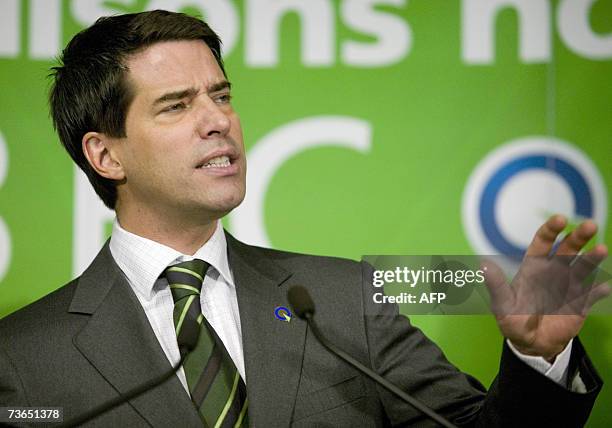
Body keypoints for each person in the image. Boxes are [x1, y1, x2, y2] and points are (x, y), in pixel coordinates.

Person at [0, 10, 607, 427]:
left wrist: (536, 361)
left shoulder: (344, 301)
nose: (218, 120)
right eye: (176, 105)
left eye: (221, 94)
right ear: (106, 154)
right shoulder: (23, 358)